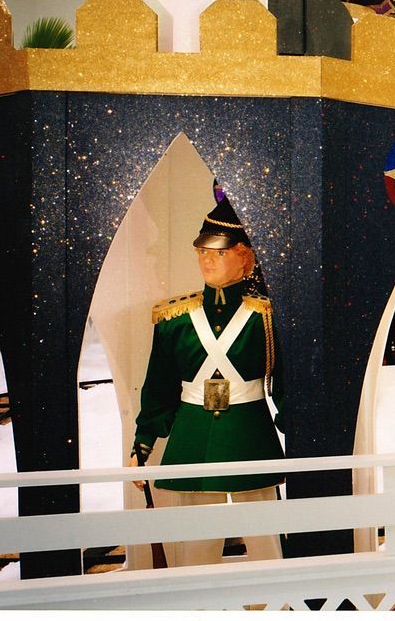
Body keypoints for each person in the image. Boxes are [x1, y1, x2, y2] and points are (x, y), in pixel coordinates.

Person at [132, 190, 284, 569]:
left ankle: (279, 599)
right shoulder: (174, 320)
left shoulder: (266, 318)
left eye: (218, 253)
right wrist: (143, 445)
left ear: (244, 257)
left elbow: (286, 387)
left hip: (249, 436)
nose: (206, 260)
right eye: (202, 251)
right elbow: (159, 389)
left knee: (267, 542)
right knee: (195, 549)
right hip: (193, 436)